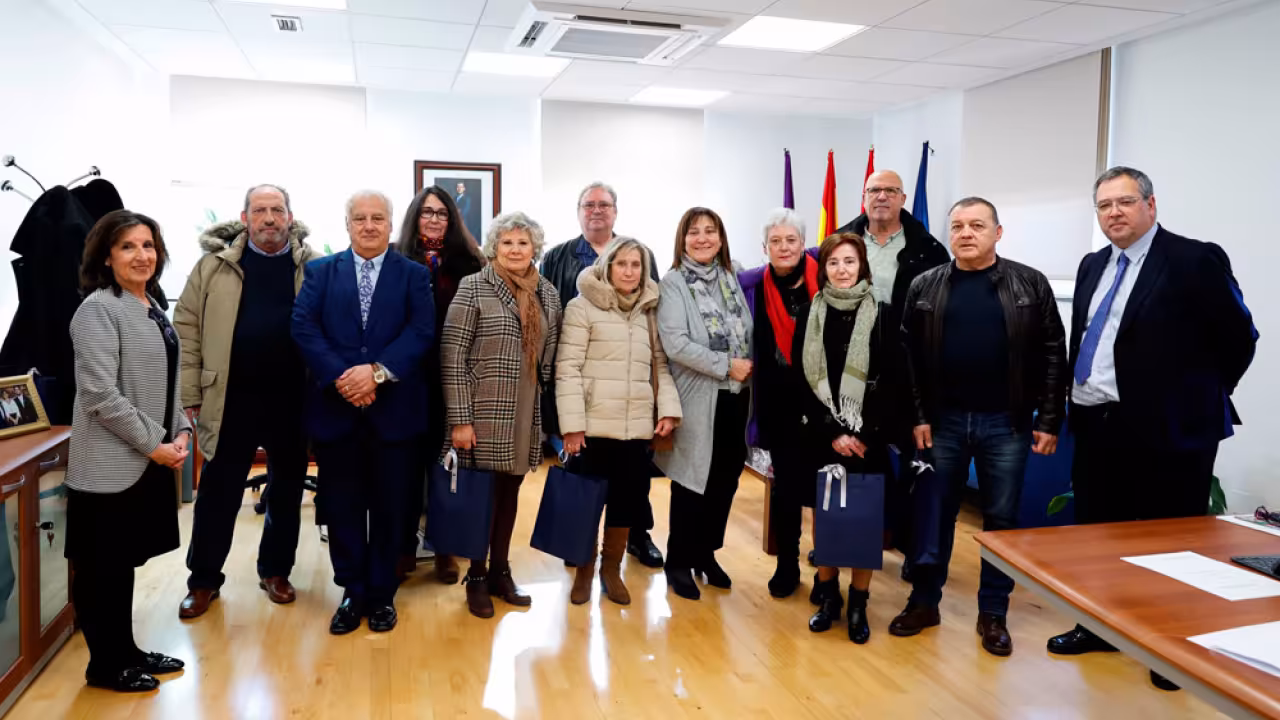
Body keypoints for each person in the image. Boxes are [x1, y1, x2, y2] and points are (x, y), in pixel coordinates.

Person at [1048, 167, 1257, 691]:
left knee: (1170, 541)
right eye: (1103, 206)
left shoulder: (1193, 259)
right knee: (1099, 535)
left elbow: (1240, 336)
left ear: (1150, 205)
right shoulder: (1093, 264)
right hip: (1099, 424)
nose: (1113, 213)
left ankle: (1169, 647)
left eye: (1123, 202)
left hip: (1171, 430)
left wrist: (1195, 396)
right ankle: (1098, 626)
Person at [895, 197, 1067, 657]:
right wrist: (917, 416)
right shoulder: (925, 285)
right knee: (934, 515)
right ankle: (924, 600)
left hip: (1006, 424)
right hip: (942, 423)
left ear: (998, 232)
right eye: (957, 226)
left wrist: (1049, 418)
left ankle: (993, 613)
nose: (966, 233)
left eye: (977, 225)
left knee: (1001, 522)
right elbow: (906, 360)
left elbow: (1054, 353)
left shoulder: (1029, 283)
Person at [292, 190, 435, 635]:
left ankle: (382, 594)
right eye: (360, 218)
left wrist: (376, 373)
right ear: (347, 225)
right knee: (344, 507)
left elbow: (422, 330)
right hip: (338, 414)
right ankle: (353, 590)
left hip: (395, 414)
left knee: (393, 508)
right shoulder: (319, 272)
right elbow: (303, 327)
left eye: (378, 218)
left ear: (391, 225)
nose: (369, 226)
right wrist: (344, 377)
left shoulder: (413, 275)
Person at [174, 184, 319, 619]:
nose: (269, 218)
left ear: (290, 217)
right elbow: (187, 327)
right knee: (217, 491)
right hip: (230, 397)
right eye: (261, 210)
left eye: (277, 210)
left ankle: (275, 571)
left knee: (288, 489)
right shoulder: (213, 267)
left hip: (292, 398)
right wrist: (190, 394)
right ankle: (203, 581)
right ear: (245, 217)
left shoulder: (312, 267)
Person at [66, 209, 189, 692]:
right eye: (128, 247)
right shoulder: (97, 309)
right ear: (106, 256)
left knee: (122, 566)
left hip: (146, 460)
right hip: (109, 467)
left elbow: (167, 382)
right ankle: (105, 666)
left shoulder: (150, 306)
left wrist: (180, 430)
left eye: (148, 245)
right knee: (101, 570)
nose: (142, 255)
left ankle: (127, 651)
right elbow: (99, 396)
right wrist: (155, 444)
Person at [440, 211, 562, 619]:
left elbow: (551, 352)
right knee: (481, 499)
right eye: (507, 243)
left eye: (523, 243)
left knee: (509, 496)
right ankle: (475, 576)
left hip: (526, 408)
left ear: (535, 249)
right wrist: (460, 419)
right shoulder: (474, 287)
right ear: (495, 247)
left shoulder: (546, 292)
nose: (515, 249)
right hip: (481, 410)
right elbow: (452, 355)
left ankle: (500, 571)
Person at [540, 182, 664, 568]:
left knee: (633, 481)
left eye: (604, 205)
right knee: (585, 479)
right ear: (579, 211)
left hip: (631, 394)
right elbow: (552, 319)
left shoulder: (640, 253)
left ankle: (635, 539)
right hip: (584, 384)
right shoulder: (559, 256)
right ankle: (580, 548)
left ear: (615, 211)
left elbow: (652, 309)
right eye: (588, 205)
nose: (596, 210)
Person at [835, 170, 950, 575]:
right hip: (851, 373)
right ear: (862, 197)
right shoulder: (841, 241)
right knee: (853, 460)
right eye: (873, 190)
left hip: (906, 374)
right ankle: (843, 546)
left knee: (915, 467)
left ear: (903, 198)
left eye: (890, 191)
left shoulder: (929, 249)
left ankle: (909, 549)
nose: (881, 197)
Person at [555, 237, 682, 606]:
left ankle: (611, 569)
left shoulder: (650, 310)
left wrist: (668, 411)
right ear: (608, 266)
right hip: (592, 428)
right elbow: (568, 368)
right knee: (587, 503)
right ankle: (583, 569)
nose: (629, 271)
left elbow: (660, 365)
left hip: (637, 426)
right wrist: (572, 425)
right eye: (621, 264)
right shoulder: (582, 307)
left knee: (626, 501)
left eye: (636, 265)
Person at [795, 232, 893, 644]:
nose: (841, 270)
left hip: (868, 438)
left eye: (849, 261)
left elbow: (893, 382)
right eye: (833, 262)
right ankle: (829, 599)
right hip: (824, 437)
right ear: (824, 269)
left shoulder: (883, 314)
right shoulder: (809, 313)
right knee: (828, 520)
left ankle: (858, 603)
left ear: (862, 266)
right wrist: (833, 433)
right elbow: (802, 381)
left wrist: (864, 433)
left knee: (863, 521)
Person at [656, 207, 753, 601]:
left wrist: (738, 371)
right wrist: (725, 366)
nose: (702, 238)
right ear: (682, 240)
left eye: (710, 231)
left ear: (721, 238)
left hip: (735, 400)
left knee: (725, 482)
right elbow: (676, 343)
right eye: (694, 232)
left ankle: (705, 555)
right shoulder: (674, 283)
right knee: (692, 482)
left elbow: (746, 332)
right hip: (698, 399)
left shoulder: (731, 278)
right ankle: (677, 560)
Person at [393, 185, 486, 586]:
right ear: (415, 216)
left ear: (452, 219)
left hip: (454, 378)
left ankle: (446, 548)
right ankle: (403, 547)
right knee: (405, 469)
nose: (433, 219)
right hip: (405, 379)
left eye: (441, 213)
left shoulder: (471, 262)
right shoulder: (395, 259)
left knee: (447, 466)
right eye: (426, 212)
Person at [736, 209, 820, 598]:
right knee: (786, 491)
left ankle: (828, 569)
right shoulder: (751, 286)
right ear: (764, 247)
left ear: (804, 244)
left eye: (791, 240)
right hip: (779, 404)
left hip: (825, 405)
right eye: (775, 241)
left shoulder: (828, 279)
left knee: (829, 488)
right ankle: (787, 564)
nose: (784, 247)